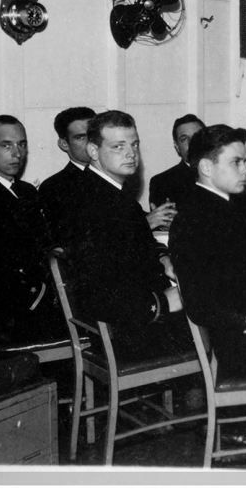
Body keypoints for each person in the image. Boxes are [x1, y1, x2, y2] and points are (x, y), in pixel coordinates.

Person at [68, 110, 190, 362]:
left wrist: (164, 260)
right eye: (118, 146)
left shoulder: (110, 193)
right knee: (220, 323)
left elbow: (137, 248)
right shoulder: (94, 203)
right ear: (93, 151)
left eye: (134, 144)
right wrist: (161, 303)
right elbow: (99, 291)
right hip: (125, 331)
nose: (131, 153)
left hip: (130, 317)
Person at [169, 125, 246, 380]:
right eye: (236, 162)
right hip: (242, 344)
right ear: (206, 168)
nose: (245, 169)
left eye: (244, 161)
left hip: (240, 331)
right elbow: (205, 303)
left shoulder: (214, 209)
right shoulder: (207, 218)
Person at [0, 115, 64, 345]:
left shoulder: (26, 191)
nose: (17, 153)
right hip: (14, 315)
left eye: (22, 144)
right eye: (6, 145)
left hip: (39, 300)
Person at [38, 106, 96, 248]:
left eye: (93, 134)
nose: (90, 142)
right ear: (64, 144)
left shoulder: (115, 175)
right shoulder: (53, 187)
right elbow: (72, 237)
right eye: (81, 137)